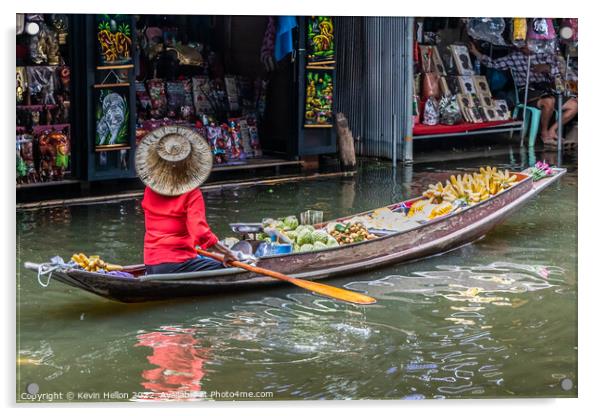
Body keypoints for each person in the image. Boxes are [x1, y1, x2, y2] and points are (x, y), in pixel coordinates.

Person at [136, 127, 237, 275]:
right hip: (178, 262)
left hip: (151, 263)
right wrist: (227, 252)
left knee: (205, 259)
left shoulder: (150, 189)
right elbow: (200, 233)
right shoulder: (191, 193)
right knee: (229, 267)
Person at [468, 42, 560, 145]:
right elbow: (493, 64)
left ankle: (553, 130)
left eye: (528, 43)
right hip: (526, 91)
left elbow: (559, 72)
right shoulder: (514, 57)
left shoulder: (544, 55)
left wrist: (547, 68)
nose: (525, 46)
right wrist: (476, 52)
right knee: (549, 101)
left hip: (545, 89)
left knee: (574, 104)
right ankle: (544, 134)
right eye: (522, 44)